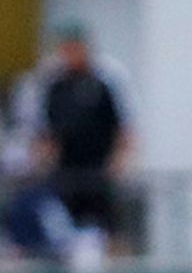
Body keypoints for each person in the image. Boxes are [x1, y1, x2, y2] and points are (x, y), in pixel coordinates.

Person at [34, 26, 128, 252]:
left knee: (108, 231)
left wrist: (119, 161)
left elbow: (121, 128)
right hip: (67, 174)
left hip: (98, 172)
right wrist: (43, 161)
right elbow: (48, 132)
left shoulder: (102, 85)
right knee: (65, 234)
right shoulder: (56, 88)